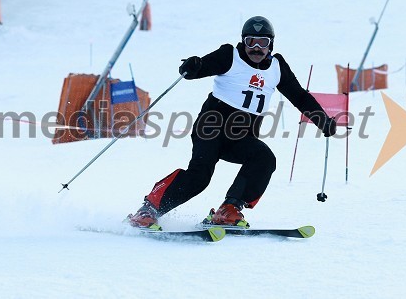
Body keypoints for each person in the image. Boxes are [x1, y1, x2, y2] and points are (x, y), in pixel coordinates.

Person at [127, 16, 336, 230]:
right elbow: (201, 67)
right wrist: (193, 66)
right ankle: (148, 210)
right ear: (243, 42)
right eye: (250, 41)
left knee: (263, 158)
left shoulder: (277, 67)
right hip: (211, 128)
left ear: (271, 44)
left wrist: (322, 120)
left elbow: (299, 96)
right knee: (200, 176)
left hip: (241, 137)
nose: (256, 48)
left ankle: (229, 209)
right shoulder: (230, 55)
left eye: (262, 42)